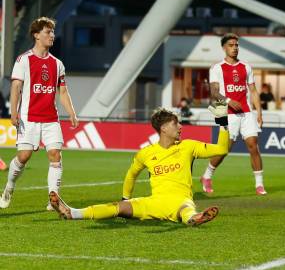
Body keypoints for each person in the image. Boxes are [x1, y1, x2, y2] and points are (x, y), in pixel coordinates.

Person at [48, 107, 229, 226]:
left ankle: (194, 218)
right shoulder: (146, 153)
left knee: (186, 209)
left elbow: (222, 148)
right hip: (154, 203)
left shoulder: (188, 146)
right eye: (176, 123)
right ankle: (72, 212)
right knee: (117, 207)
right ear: (164, 128)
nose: (181, 127)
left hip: (180, 199)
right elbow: (131, 174)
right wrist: (125, 198)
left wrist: (222, 121)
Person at [0, 17, 79, 210]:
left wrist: (72, 113)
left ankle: (54, 199)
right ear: (36, 35)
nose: (52, 35)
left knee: (55, 154)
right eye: (47, 32)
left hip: (51, 119)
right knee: (24, 156)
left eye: (52, 32)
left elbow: (62, 91)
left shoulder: (57, 64)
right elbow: (16, 86)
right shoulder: (24, 60)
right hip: (29, 117)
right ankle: (9, 187)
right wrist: (14, 111)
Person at [200, 33, 267, 195]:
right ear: (224, 48)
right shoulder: (217, 68)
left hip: (246, 112)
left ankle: (259, 184)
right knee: (224, 149)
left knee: (253, 145)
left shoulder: (246, 67)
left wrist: (259, 112)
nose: (235, 48)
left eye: (236, 45)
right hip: (226, 112)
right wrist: (229, 101)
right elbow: (214, 92)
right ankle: (207, 176)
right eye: (231, 45)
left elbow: (253, 91)